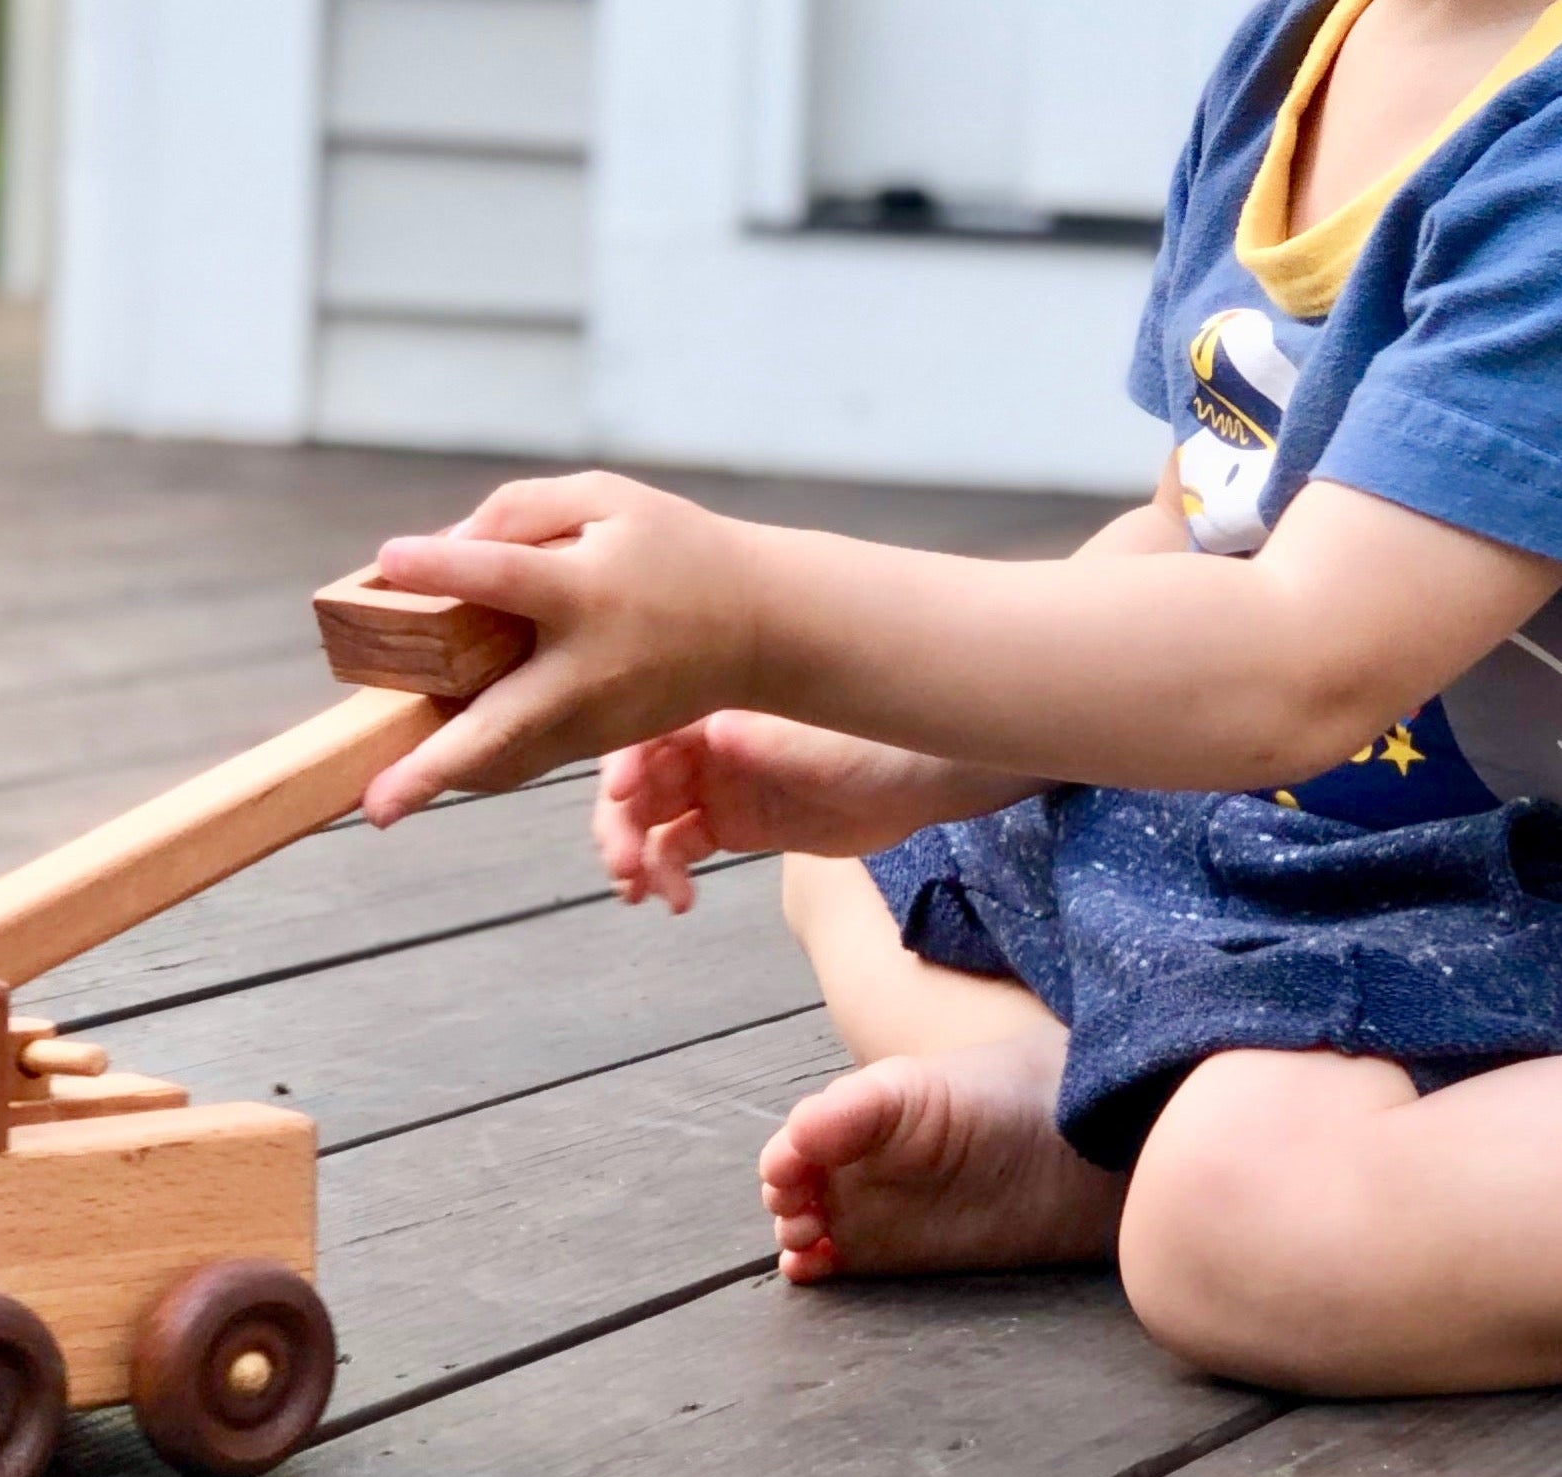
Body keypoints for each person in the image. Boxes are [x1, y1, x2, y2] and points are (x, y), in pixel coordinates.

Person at [361, 0, 1562, 1398]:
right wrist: (923, 755)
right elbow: (1201, 530)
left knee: (1243, 1225)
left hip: (1510, 879)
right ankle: (1093, 1114)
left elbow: (1297, 658)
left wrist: (756, 616)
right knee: (853, 869)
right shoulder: (1303, 49)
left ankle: (1164, 1139)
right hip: (1353, 848)